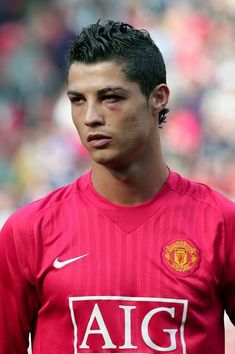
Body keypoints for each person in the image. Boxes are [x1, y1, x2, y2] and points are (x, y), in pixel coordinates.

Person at [0, 20, 235, 354]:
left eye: (110, 98)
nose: (90, 116)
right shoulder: (28, 231)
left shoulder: (222, 224)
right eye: (78, 100)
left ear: (158, 98)